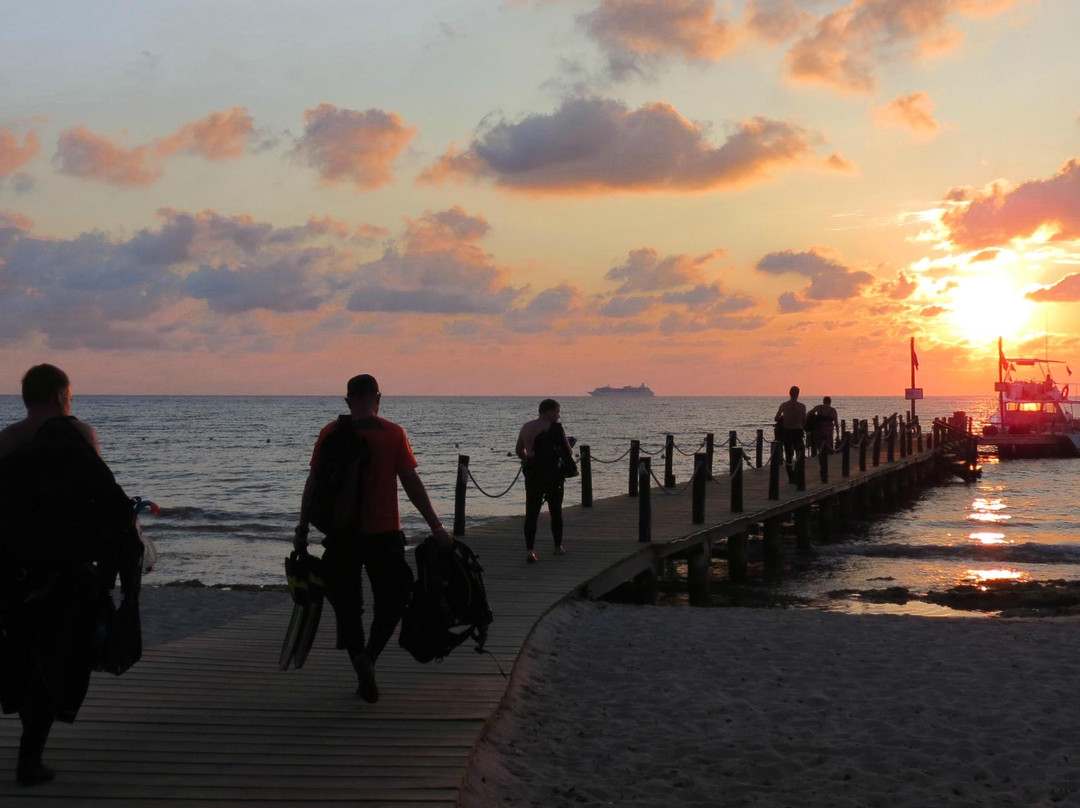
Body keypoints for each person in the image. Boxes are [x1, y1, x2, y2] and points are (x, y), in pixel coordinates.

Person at [0, 364, 131, 786]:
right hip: (65, 572)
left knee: (22, 654)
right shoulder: (80, 435)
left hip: (12, 573)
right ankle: (29, 759)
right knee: (56, 662)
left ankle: (27, 741)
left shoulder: (5, 440)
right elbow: (99, 498)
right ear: (60, 396)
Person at [293, 374, 450, 703]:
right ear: (378, 398)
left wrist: (302, 528)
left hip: (340, 537)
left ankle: (357, 662)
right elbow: (410, 482)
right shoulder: (392, 434)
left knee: (349, 608)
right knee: (395, 598)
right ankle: (371, 656)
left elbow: (313, 484)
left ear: (348, 400)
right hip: (384, 535)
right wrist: (435, 525)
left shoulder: (330, 433)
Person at [516, 399, 575, 564]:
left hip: (533, 474)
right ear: (548, 411)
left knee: (531, 513)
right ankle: (557, 547)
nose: (558, 415)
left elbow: (518, 450)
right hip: (553, 475)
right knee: (555, 512)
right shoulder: (555, 428)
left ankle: (530, 550)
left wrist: (529, 458)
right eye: (556, 412)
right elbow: (568, 451)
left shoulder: (526, 426)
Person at [775, 385, 807, 481]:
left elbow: (776, 418)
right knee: (799, 454)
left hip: (787, 432)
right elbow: (804, 421)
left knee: (788, 455)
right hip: (797, 431)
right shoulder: (802, 406)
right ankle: (797, 474)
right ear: (798, 394)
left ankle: (791, 476)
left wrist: (784, 418)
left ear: (789, 393)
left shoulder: (783, 405)